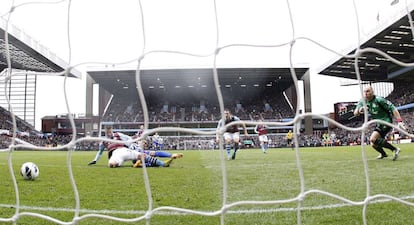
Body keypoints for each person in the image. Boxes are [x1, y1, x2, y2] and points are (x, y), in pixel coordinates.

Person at [353, 85, 406, 161]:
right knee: (373, 144)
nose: (366, 93)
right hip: (378, 123)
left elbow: (393, 108)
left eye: (368, 91)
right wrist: (360, 109)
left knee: (373, 139)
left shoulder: (379, 99)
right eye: (364, 91)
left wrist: (399, 121)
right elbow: (355, 113)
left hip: (386, 121)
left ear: (372, 92)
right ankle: (383, 154)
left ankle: (395, 149)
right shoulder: (362, 101)